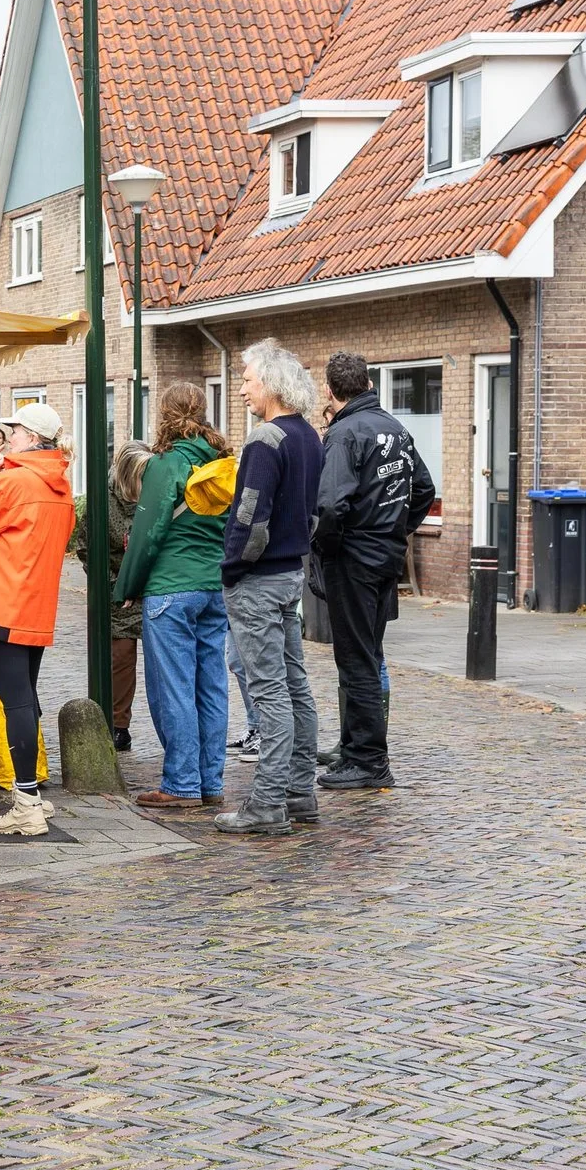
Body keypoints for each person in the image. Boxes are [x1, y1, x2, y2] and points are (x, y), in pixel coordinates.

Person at [214, 340, 327, 836]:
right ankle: (301, 791)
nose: (241, 389)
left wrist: (232, 567)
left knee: (268, 693)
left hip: (259, 579)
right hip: (290, 574)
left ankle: (267, 803)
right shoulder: (310, 438)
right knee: (295, 686)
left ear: (273, 385)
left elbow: (249, 517)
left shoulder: (266, 439)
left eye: (247, 380)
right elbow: (313, 512)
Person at [314, 351, 436, 794]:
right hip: (386, 555)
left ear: (330, 390)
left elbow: (329, 504)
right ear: (366, 382)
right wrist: (397, 529)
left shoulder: (344, 434)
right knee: (369, 652)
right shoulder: (395, 430)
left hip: (353, 558)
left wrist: (328, 546)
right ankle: (354, 748)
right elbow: (423, 488)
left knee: (357, 658)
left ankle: (367, 760)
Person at [0, 401, 75, 838]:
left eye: (11, 431)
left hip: (4, 604)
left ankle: (26, 801)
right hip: (35, 605)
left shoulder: (15, 480)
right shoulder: (59, 483)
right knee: (26, 698)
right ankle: (33, 796)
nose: (5, 438)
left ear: (27, 436)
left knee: (16, 702)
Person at [115, 382, 233, 809]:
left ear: (164, 416)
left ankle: (181, 783)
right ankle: (210, 782)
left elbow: (148, 533)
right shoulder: (223, 462)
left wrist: (128, 586)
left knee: (174, 688)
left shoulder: (168, 464)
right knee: (211, 686)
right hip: (213, 586)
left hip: (171, 586)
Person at [73, 444, 149, 753]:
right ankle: (118, 724)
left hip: (154, 584)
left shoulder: (157, 494)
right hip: (118, 590)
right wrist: (117, 587)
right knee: (121, 655)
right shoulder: (102, 501)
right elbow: (88, 549)